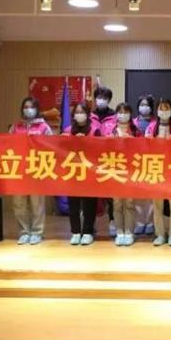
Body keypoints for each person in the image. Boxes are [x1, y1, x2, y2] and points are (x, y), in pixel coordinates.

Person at [8, 97, 53, 245]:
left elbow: (52, 146)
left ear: (37, 109)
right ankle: (24, 231)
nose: (28, 109)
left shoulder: (44, 127)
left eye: (31, 107)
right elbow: (6, 144)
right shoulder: (16, 127)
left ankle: (37, 232)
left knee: (37, 203)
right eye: (26, 107)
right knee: (19, 203)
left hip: (37, 169)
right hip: (18, 169)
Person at [62, 102, 100, 246]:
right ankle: (75, 232)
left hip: (90, 171)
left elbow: (101, 148)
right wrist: (70, 140)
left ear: (88, 114)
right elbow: (60, 148)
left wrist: (86, 142)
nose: (79, 115)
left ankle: (88, 231)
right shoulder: (67, 130)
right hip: (73, 171)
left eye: (82, 112)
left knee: (89, 203)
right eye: (77, 112)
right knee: (73, 203)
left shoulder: (95, 130)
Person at [146, 99, 171, 247]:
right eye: (161, 108)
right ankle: (160, 234)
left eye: (167, 108)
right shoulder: (151, 126)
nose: (164, 111)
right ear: (157, 111)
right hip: (157, 168)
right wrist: (149, 141)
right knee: (157, 205)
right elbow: (144, 147)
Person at [90, 86, 118, 237]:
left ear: (109, 100)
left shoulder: (115, 117)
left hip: (110, 159)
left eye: (105, 98)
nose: (101, 100)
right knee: (93, 193)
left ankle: (113, 222)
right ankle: (91, 223)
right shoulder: (89, 116)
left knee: (111, 193)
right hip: (92, 161)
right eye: (99, 97)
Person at [111, 102, 139, 246]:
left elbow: (143, 147)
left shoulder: (135, 130)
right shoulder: (111, 129)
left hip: (131, 170)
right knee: (117, 203)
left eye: (125, 112)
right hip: (115, 169)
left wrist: (132, 141)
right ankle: (119, 232)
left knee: (129, 202)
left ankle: (129, 232)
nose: (123, 115)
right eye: (120, 112)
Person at [133, 94, 157, 236]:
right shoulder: (133, 122)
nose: (144, 107)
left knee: (152, 195)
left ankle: (150, 223)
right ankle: (140, 222)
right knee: (138, 194)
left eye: (147, 105)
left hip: (153, 161)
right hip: (137, 161)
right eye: (142, 105)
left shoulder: (156, 123)